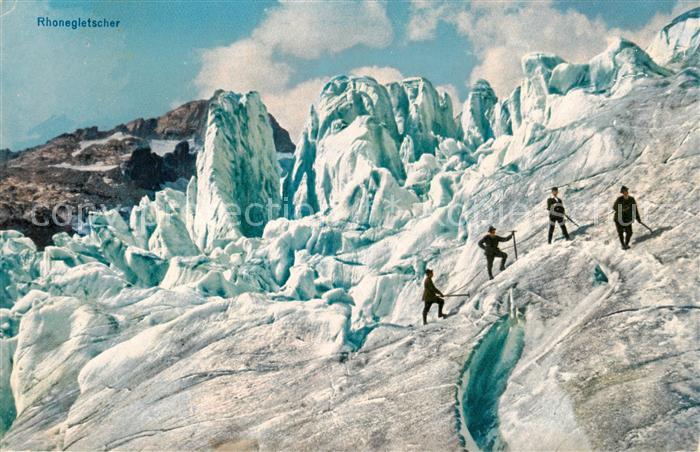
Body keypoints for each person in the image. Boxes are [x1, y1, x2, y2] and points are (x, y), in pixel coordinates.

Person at [612, 186, 642, 250]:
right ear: (622, 193)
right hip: (619, 219)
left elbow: (635, 209)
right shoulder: (619, 199)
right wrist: (622, 209)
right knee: (620, 232)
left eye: (626, 191)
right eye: (624, 192)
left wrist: (638, 218)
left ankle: (626, 243)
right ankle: (623, 245)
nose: (625, 193)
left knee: (630, 232)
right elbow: (614, 207)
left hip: (627, 219)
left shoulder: (631, 199)